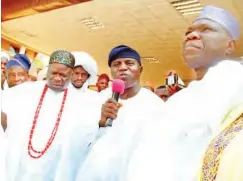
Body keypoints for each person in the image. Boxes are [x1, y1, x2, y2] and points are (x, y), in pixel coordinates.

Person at [124, 5, 243, 181]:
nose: (191, 35)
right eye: (188, 32)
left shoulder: (237, 87)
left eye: (207, 29)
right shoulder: (178, 101)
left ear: (229, 45)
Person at [2, 50, 100, 181]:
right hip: (21, 165)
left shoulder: (81, 101)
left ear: (70, 74)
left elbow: (85, 137)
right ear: (48, 70)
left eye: (63, 75)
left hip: (54, 168)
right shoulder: (25, 91)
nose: (57, 78)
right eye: (54, 73)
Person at [75, 45, 165, 181]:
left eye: (129, 63)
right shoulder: (96, 100)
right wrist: (100, 122)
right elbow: (78, 142)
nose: (123, 68)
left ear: (140, 70)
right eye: (116, 64)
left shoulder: (156, 105)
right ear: (111, 71)